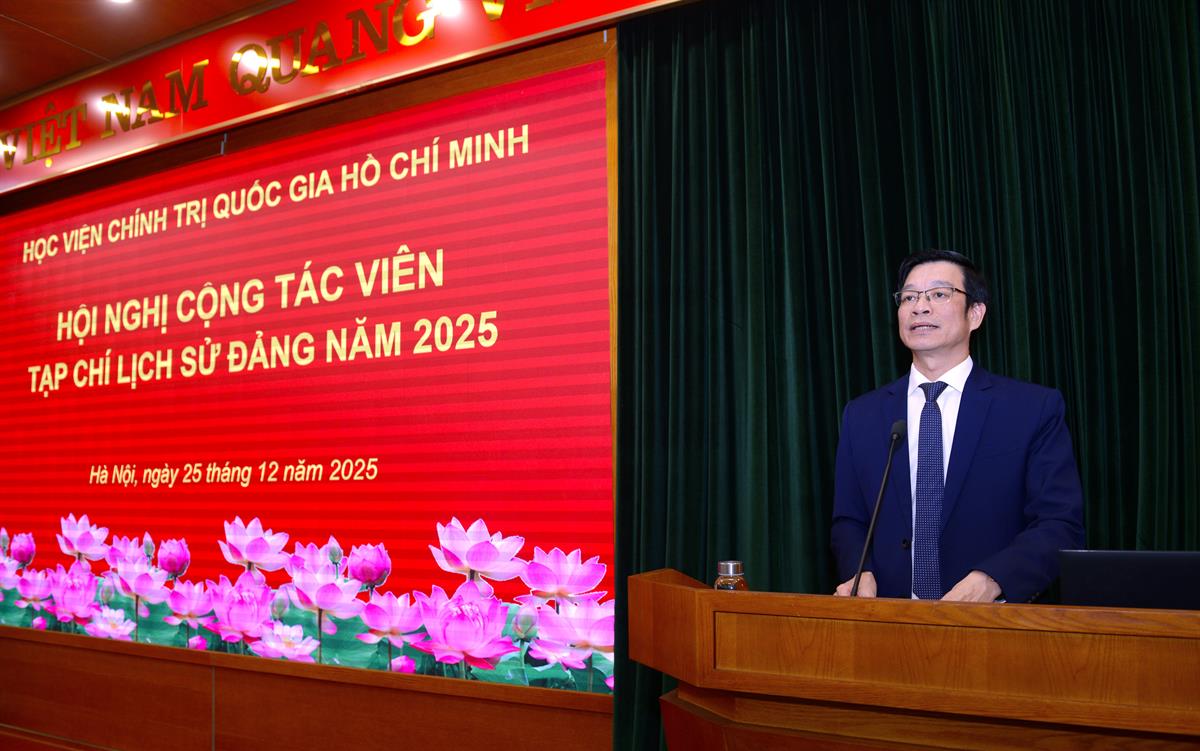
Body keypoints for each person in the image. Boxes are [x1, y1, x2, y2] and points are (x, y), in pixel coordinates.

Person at [830, 249, 1084, 602]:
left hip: (990, 621)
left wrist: (993, 579)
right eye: (909, 297)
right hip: (888, 618)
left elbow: (1059, 523)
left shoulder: (1031, 409)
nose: (920, 307)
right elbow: (848, 520)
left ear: (975, 314)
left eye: (938, 294)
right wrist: (861, 573)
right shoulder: (863, 415)